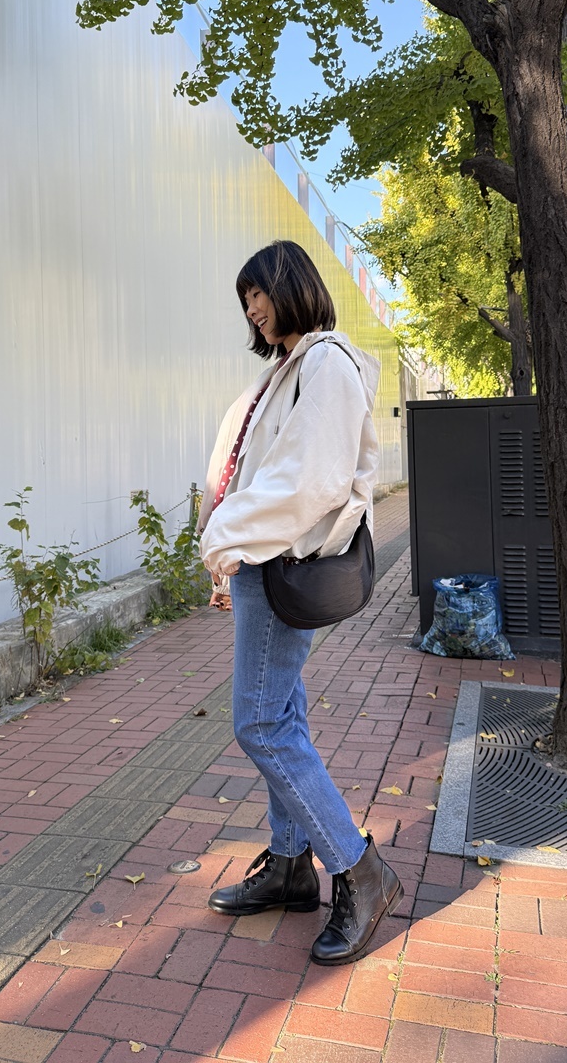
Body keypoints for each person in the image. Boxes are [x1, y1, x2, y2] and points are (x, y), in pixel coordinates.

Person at [197, 239, 403, 966]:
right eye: (244, 300)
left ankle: (360, 870)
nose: (252, 308)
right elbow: (252, 470)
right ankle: (289, 866)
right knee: (281, 712)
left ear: (291, 286)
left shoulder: (326, 362)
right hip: (262, 565)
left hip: (281, 563)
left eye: (258, 292)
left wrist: (225, 539)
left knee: (260, 723)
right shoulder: (288, 368)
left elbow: (308, 478)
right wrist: (228, 548)